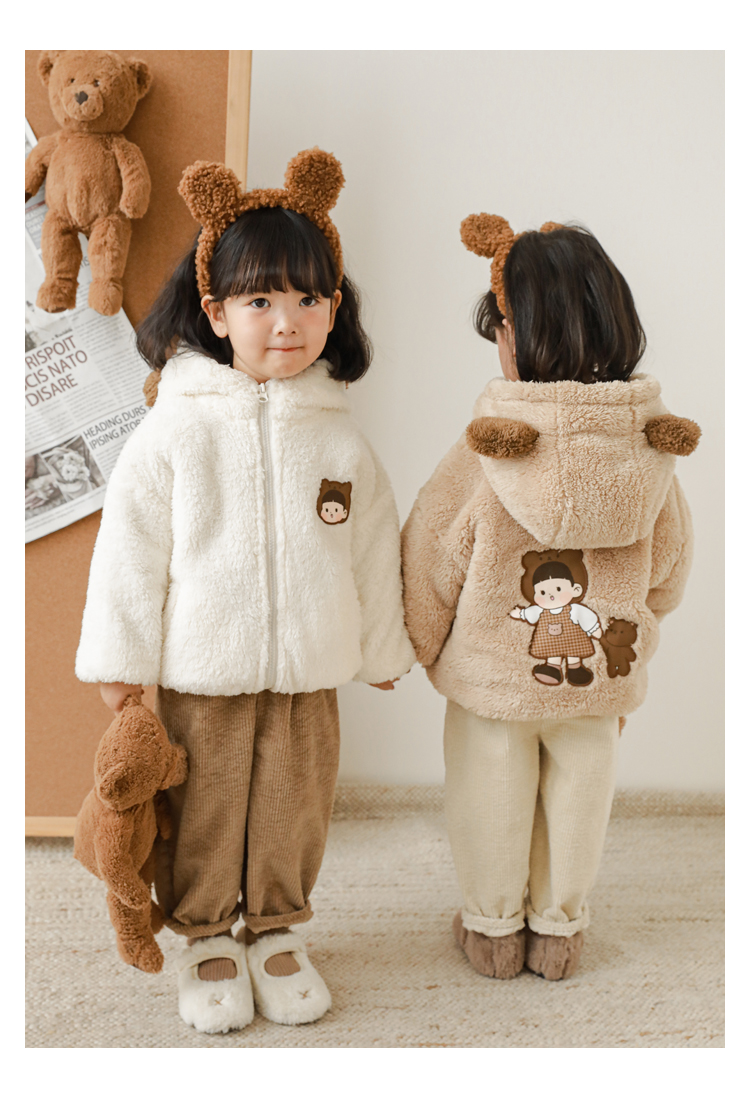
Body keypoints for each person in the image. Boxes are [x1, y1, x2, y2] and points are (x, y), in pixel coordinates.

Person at [76, 149, 415, 1033]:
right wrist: (120, 662)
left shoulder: (339, 439)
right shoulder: (173, 432)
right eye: (261, 301)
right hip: (204, 672)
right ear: (216, 312)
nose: (287, 322)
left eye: (308, 299)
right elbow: (129, 553)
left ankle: (275, 928)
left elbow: (372, 549)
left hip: (310, 671)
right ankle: (204, 935)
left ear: (334, 310)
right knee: (206, 809)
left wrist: (382, 648)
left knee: (295, 806)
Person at [401, 216, 699, 982]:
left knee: (491, 796)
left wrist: (415, 644)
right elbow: (669, 567)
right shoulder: (650, 447)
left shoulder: (491, 441)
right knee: (578, 804)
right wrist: (637, 638)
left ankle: (494, 929)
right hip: (596, 677)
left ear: (515, 334)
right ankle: (558, 929)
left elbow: (435, 549)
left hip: (494, 680)